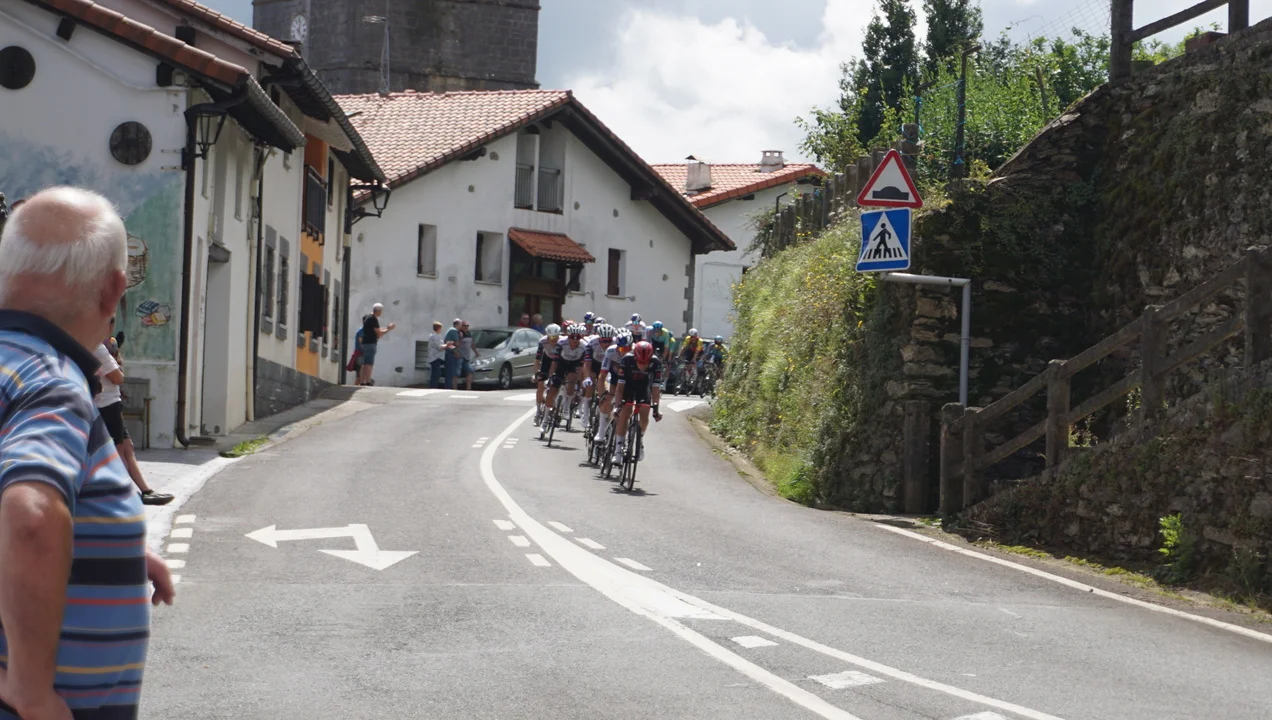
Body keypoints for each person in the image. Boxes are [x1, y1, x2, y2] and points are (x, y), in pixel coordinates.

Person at [0, 187, 175, 720]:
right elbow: (30, 518)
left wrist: (109, 544)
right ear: (113, 289)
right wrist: (31, 689)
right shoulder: (49, 382)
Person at [95, 318, 173, 506]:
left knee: (127, 447)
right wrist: (115, 360)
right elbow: (118, 378)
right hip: (106, 404)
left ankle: (145, 491)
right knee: (118, 450)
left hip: (110, 401)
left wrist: (116, 357)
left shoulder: (103, 347)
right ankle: (123, 493)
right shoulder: (98, 349)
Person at [612, 340, 664, 464]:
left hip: (644, 387)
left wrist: (656, 409)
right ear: (635, 358)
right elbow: (620, 388)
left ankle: (639, 441)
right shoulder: (627, 359)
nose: (643, 366)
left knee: (645, 413)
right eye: (640, 362)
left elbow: (655, 389)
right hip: (628, 386)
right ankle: (618, 451)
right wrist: (617, 406)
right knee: (625, 413)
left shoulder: (656, 363)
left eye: (646, 363)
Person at [542, 324, 588, 430]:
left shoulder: (584, 347)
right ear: (568, 336)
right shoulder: (561, 343)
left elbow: (582, 367)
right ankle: (545, 420)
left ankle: (566, 407)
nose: (575, 340)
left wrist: (579, 382)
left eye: (577, 337)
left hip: (574, 364)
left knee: (572, 379)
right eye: (572, 337)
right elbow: (554, 362)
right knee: (552, 392)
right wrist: (550, 377)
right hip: (561, 364)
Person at [359, 302, 396, 386]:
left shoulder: (366, 317)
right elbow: (379, 333)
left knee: (364, 363)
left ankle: (362, 381)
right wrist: (389, 329)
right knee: (369, 363)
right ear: (378, 311)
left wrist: (386, 328)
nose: (381, 313)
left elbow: (375, 329)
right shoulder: (373, 319)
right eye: (381, 311)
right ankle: (368, 381)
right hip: (371, 343)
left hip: (365, 343)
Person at [533, 323, 562, 425]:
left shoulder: (562, 342)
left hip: (558, 361)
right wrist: (536, 373)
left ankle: (555, 406)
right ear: (547, 336)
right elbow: (537, 360)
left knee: (556, 385)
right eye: (551, 337)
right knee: (540, 386)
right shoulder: (542, 341)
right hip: (547, 360)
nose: (553, 340)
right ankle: (538, 412)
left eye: (555, 337)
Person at [456, 320, 479, 391]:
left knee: (470, 371)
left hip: (466, 357)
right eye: (464, 326)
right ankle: (454, 388)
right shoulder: (460, 333)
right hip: (460, 357)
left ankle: (468, 388)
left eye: (467, 326)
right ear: (461, 326)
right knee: (457, 373)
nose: (466, 327)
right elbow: (457, 345)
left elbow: (472, 344)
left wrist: (476, 352)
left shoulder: (469, 334)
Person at [427, 321, 450, 388]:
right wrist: (447, 345)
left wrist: (446, 345)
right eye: (440, 328)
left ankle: (433, 386)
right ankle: (432, 387)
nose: (441, 330)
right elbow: (440, 347)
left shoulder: (437, 336)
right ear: (438, 328)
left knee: (437, 373)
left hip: (438, 357)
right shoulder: (434, 337)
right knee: (436, 373)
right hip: (435, 357)